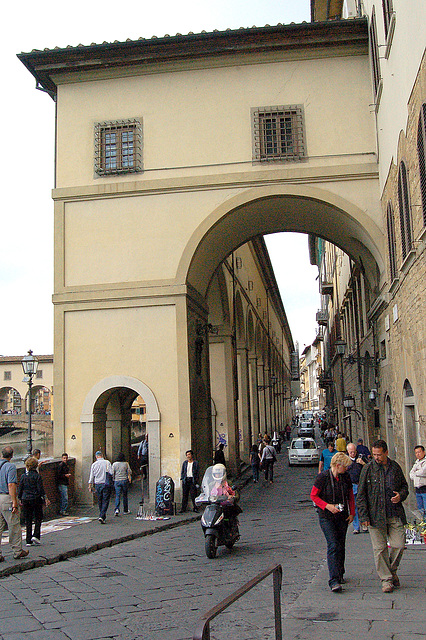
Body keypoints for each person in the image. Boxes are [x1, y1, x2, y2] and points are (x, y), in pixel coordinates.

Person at [357, 439, 409, 593]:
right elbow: (361, 495)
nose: (376, 457)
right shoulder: (367, 469)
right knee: (379, 549)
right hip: (375, 515)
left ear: (386, 453)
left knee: (399, 545)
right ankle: (386, 580)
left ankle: (391, 571)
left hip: (394, 513)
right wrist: (363, 516)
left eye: (379, 455)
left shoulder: (395, 468)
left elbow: (405, 487)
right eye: (374, 454)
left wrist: (400, 495)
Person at [310, 452, 355, 592]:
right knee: (333, 544)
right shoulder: (322, 478)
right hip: (326, 516)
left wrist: (352, 512)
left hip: (342, 516)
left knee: (341, 545)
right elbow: (313, 496)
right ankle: (333, 580)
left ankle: (340, 572)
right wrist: (327, 506)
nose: (347, 469)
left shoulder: (345, 477)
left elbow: (350, 495)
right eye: (345, 466)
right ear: (338, 465)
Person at [0, 446, 29, 560]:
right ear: (12, 456)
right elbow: (11, 485)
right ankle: (17, 550)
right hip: (6, 498)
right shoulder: (10, 466)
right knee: (14, 525)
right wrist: (14, 503)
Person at [18, 456, 50, 546]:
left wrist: (19, 498)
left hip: (25, 499)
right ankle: (36, 535)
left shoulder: (23, 476)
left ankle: (28, 540)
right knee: (38, 517)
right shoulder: (37, 476)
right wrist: (45, 498)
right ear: (36, 466)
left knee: (27, 519)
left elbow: (20, 488)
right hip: (35, 499)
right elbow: (40, 489)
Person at [346, 443, 367, 534]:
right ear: (348, 452)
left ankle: (364, 524)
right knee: (353, 506)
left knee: (362, 506)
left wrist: (363, 463)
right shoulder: (346, 460)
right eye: (351, 452)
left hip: (361, 485)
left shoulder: (361, 458)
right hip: (351, 485)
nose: (353, 454)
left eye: (354, 452)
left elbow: (369, 468)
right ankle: (356, 527)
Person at [88, 451, 113, 523]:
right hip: (105, 483)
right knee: (105, 500)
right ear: (102, 455)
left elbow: (91, 476)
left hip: (97, 484)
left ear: (96, 456)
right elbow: (111, 473)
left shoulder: (94, 465)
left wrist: (90, 485)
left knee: (100, 500)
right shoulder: (107, 462)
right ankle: (102, 515)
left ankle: (102, 515)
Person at [409, 444, 426, 518]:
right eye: (416, 453)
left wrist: (416, 473)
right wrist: (416, 473)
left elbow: (423, 472)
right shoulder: (416, 462)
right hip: (418, 490)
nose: (418, 454)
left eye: (419, 452)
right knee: (420, 510)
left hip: (424, 488)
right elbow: (411, 474)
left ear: (423, 452)